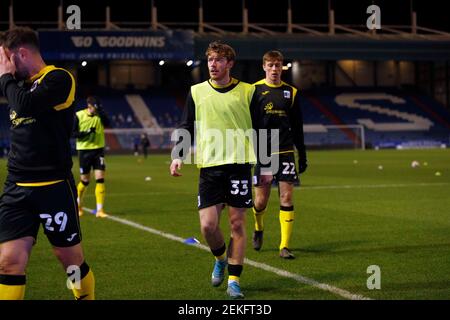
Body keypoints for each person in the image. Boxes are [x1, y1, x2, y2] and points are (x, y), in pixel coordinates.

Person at [0, 27, 95, 300]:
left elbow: (27, 105)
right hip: (16, 187)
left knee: (71, 263)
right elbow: (19, 97)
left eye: (8, 59)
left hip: (53, 186)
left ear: (21, 53)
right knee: (9, 262)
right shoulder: (17, 86)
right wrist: (7, 76)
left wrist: (6, 77)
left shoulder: (59, 78)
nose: (5, 67)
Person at [170, 41, 256, 299]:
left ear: (229, 63)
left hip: (239, 164)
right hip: (209, 166)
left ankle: (234, 281)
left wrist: (267, 166)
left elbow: (263, 129)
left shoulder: (248, 91)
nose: (213, 65)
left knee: (237, 224)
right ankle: (220, 258)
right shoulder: (196, 91)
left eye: (218, 60)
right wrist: (178, 156)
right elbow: (186, 125)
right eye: (210, 60)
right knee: (208, 226)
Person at [251, 50, 308, 259]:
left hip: (285, 151)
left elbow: (297, 126)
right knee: (260, 201)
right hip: (264, 152)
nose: (275, 69)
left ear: (282, 66)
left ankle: (284, 246)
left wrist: (302, 154)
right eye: (271, 65)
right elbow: (248, 124)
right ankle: (258, 228)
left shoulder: (290, 92)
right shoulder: (254, 91)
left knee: (287, 196)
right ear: (264, 66)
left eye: (278, 65)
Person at [73, 96, 110, 218]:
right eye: (95, 107)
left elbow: (109, 123)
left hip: (98, 150)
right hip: (84, 151)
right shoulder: (78, 115)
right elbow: (72, 133)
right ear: (89, 106)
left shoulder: (99, 115)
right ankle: (78, 206)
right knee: (85, 181)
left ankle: (100, 210)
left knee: (100, 178)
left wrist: (101, 112)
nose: (96, 109)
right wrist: (87, 132)